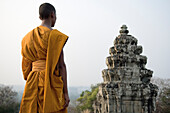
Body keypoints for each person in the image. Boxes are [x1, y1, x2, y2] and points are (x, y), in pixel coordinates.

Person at [19, 3, 70, 113]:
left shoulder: (26, 38)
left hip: (32, 82)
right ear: (52, 15)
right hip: (51, 82)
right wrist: (65, 92)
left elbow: (25, 68)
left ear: (40, 17)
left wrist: (34, 75)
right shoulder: (56, 37)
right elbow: (61, 66)